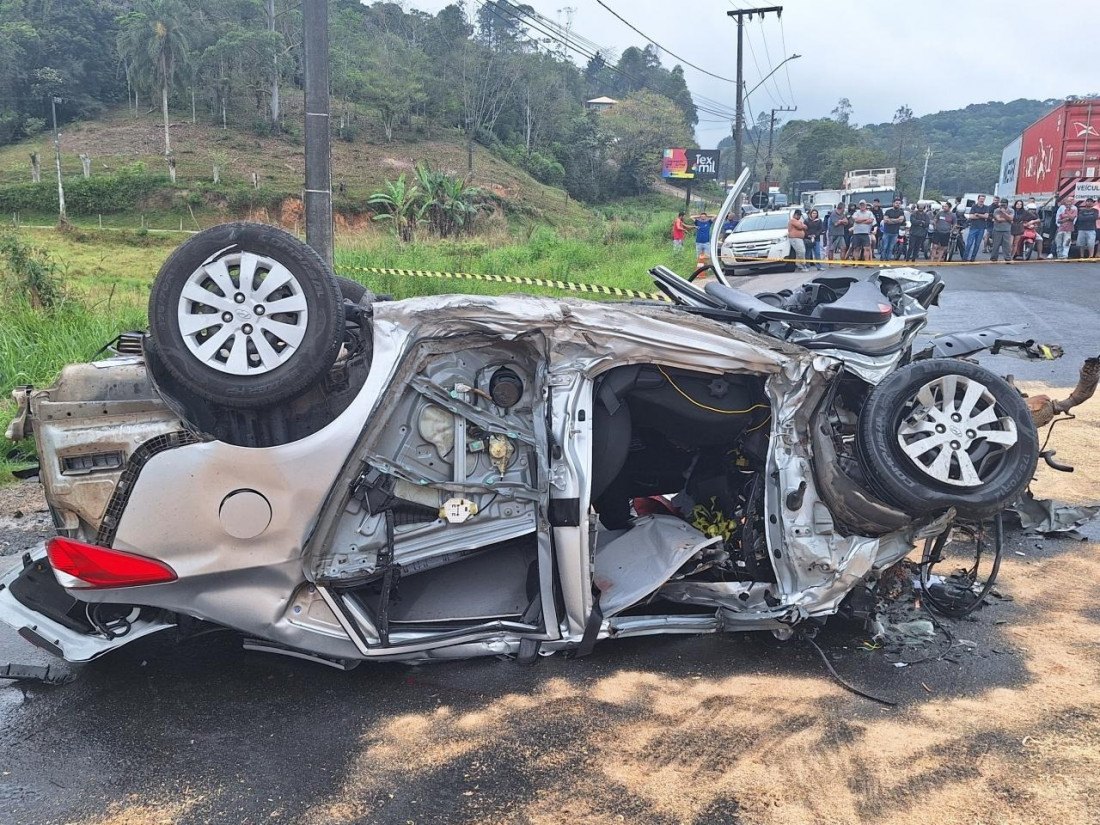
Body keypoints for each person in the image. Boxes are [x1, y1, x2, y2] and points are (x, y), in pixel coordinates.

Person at [964, 194, 990, 261]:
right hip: (973, 227)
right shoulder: (974, 206)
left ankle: (973, 258)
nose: (982, 200)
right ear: (978, 199)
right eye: (981, 199)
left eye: (983, 199)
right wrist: (982, 216)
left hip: (981, 228)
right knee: (969, 243)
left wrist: (978, 214)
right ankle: (965, 258)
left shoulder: (986, 207)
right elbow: (971, 216)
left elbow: (986, 216)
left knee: (977, 244)